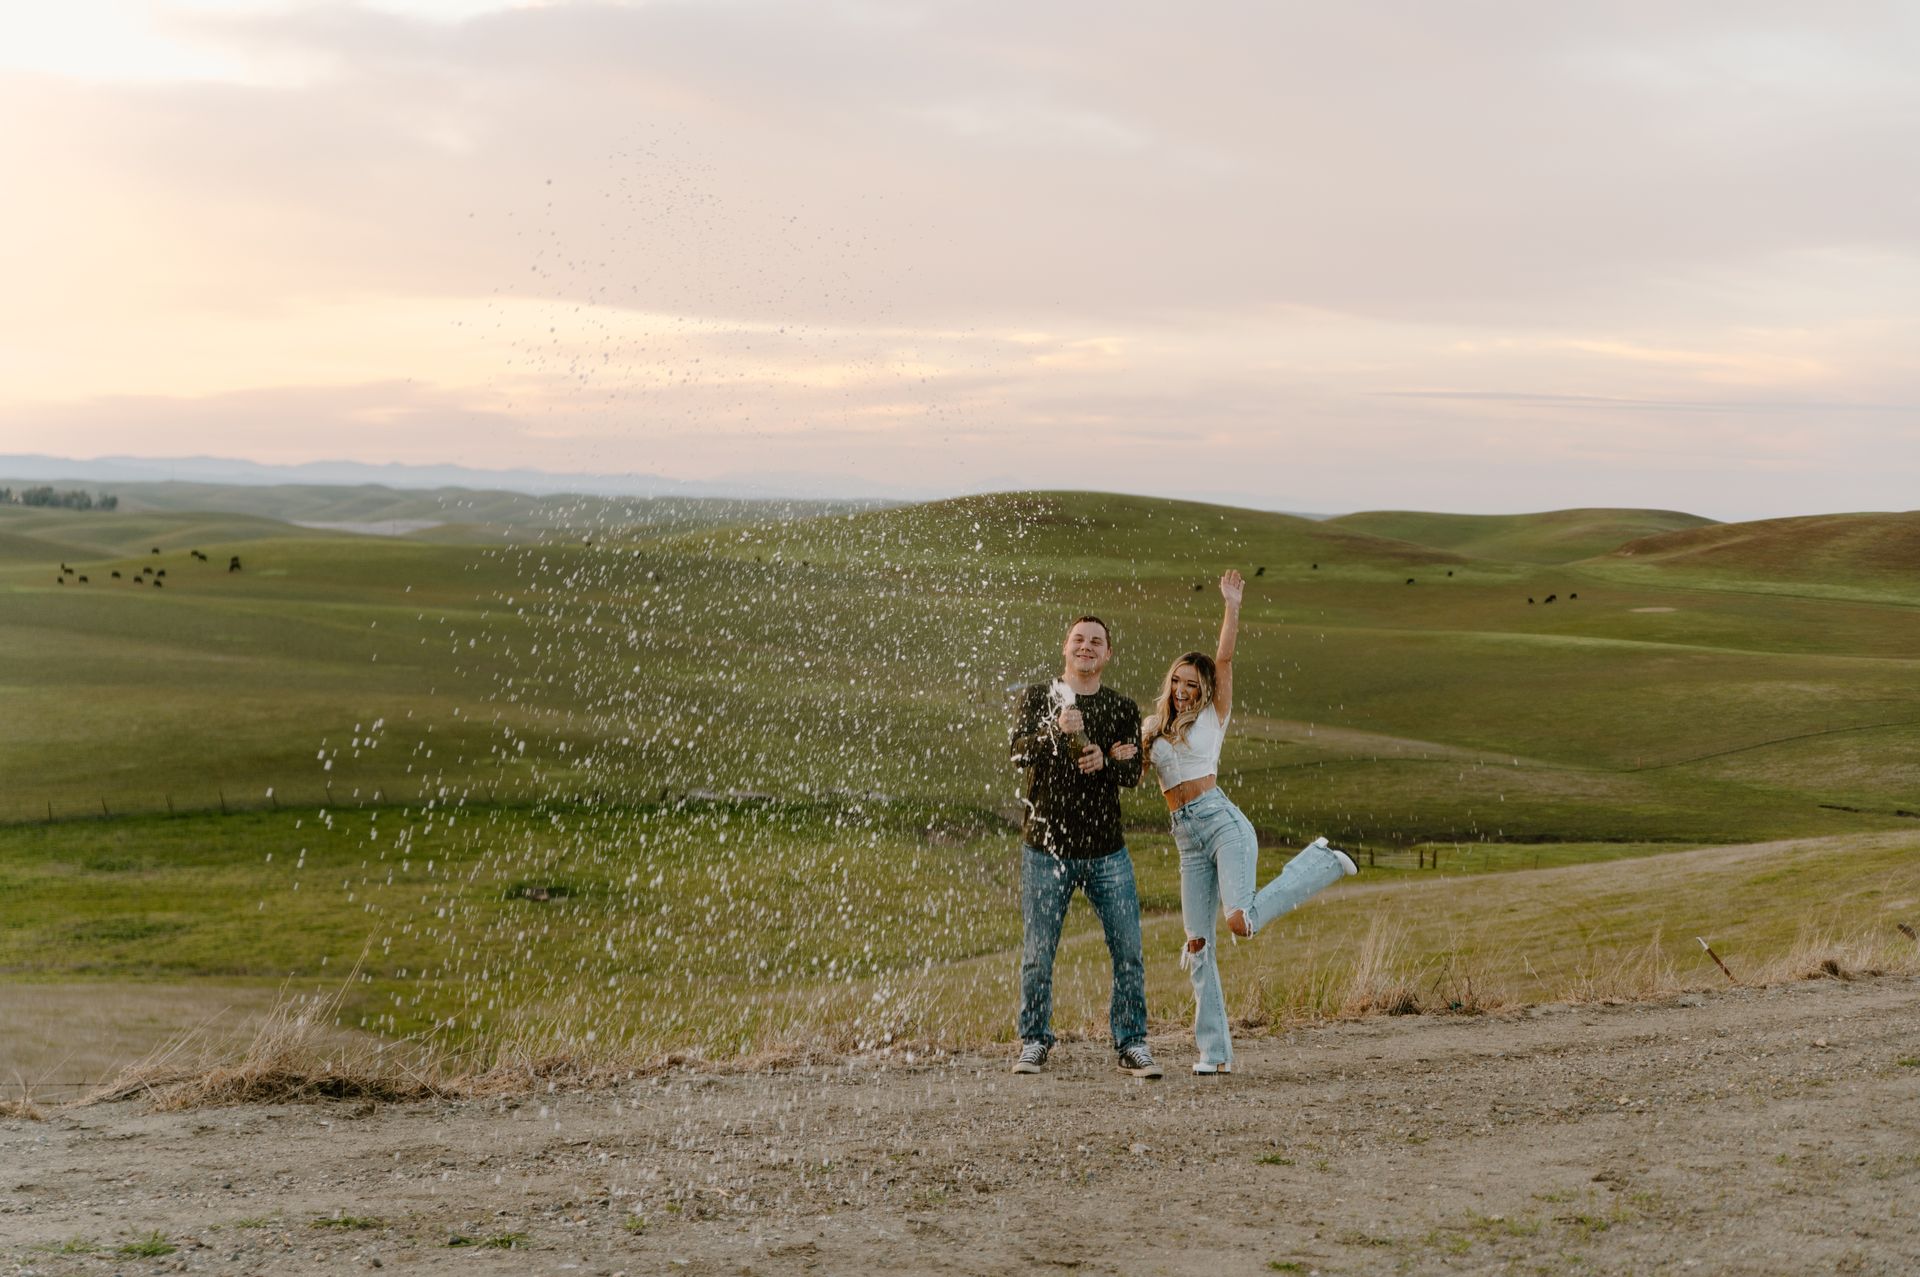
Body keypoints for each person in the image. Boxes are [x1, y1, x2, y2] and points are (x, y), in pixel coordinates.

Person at [1144, 570, 1357, 1075]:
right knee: (1197, 944)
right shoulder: (1153, 727)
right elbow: (1130, 765)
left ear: (1204, 690)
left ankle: (1321, 862)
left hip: (1222, 823)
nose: (1181, 689)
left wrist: (1232, 605)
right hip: (1186, 839)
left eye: (1191, 684)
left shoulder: (1215, 716)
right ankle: (1214, 1054)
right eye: (1177, 680)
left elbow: (1224, 658)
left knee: (1240, 923)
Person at [1007, 615, 1161, 1078]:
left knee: (1128, 949)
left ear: (1108, 654)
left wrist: (1104, 763)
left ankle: (1132, 1042)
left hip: (1106, 852)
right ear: (1065, 647)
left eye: (1096, 642)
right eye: (1079, 640)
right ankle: (1034, 1041)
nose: (1086, 647)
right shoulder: (1039, 697)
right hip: (1045, 847)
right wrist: (1057, 731)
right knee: (1038, 952)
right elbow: (1017, 752)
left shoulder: (1121, 708)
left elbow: (1133, 774)